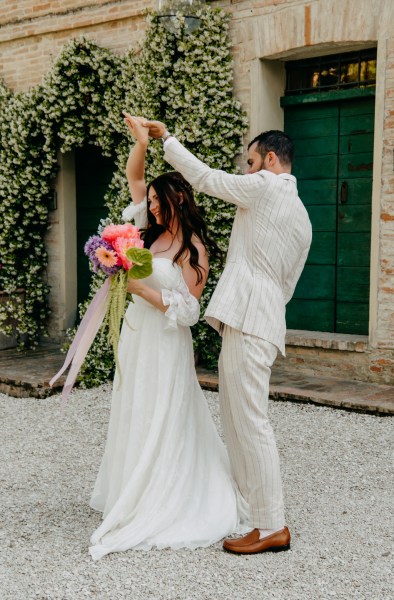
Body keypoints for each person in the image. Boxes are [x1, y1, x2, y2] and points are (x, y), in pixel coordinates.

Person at [141, 120, 312, 554]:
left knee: (250, 422)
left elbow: (205, 179)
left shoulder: (268, 187)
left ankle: (272, 525)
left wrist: (166, 139)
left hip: (248, 318)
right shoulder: (304, 217)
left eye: (251, 161)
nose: (248, 170)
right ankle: (254, 514)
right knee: (239, 421)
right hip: (261, 317)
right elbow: (287, 284)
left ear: (271, 160)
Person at [88, 115, 247, 560]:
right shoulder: (148, 231)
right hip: (137, 337)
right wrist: (142, 140)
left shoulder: (192, 248)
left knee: (163, 411)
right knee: (133, 406)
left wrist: (144, 291)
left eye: (160, 201)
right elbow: (134, 176)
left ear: (179, 199)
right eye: (151, 201)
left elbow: (192, 311)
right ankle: (130, 490)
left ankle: (165, 494)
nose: (152, 207)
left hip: (166, 341)